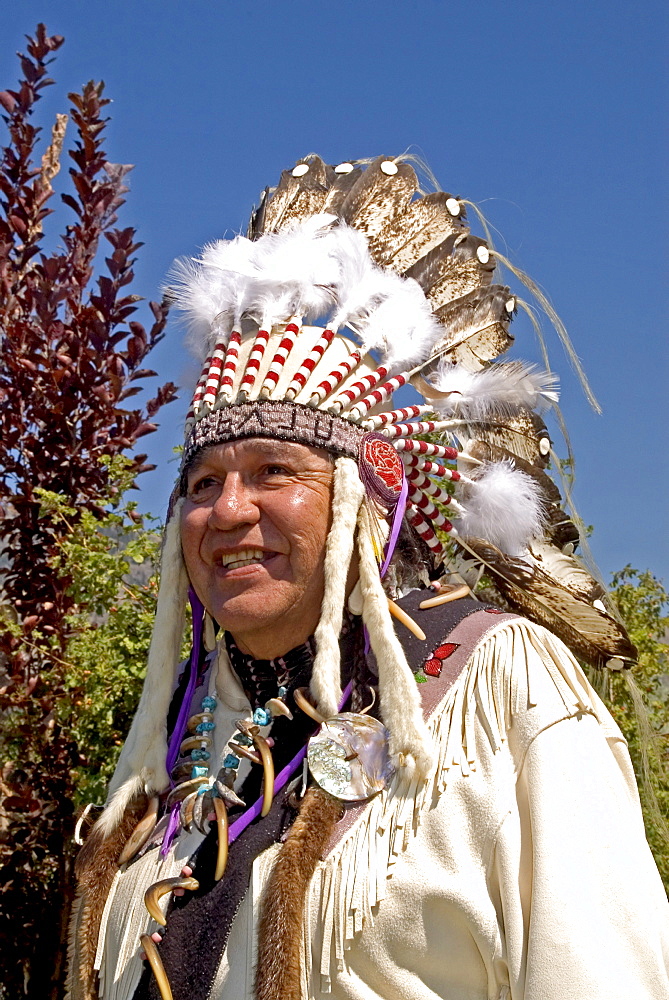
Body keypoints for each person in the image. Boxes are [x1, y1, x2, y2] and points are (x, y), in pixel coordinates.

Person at [67, 155, 669, 1000]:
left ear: (370, 506)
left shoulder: (495, 686)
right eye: (202, 483)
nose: (228, 510)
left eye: (274, 470)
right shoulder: (178, 748)